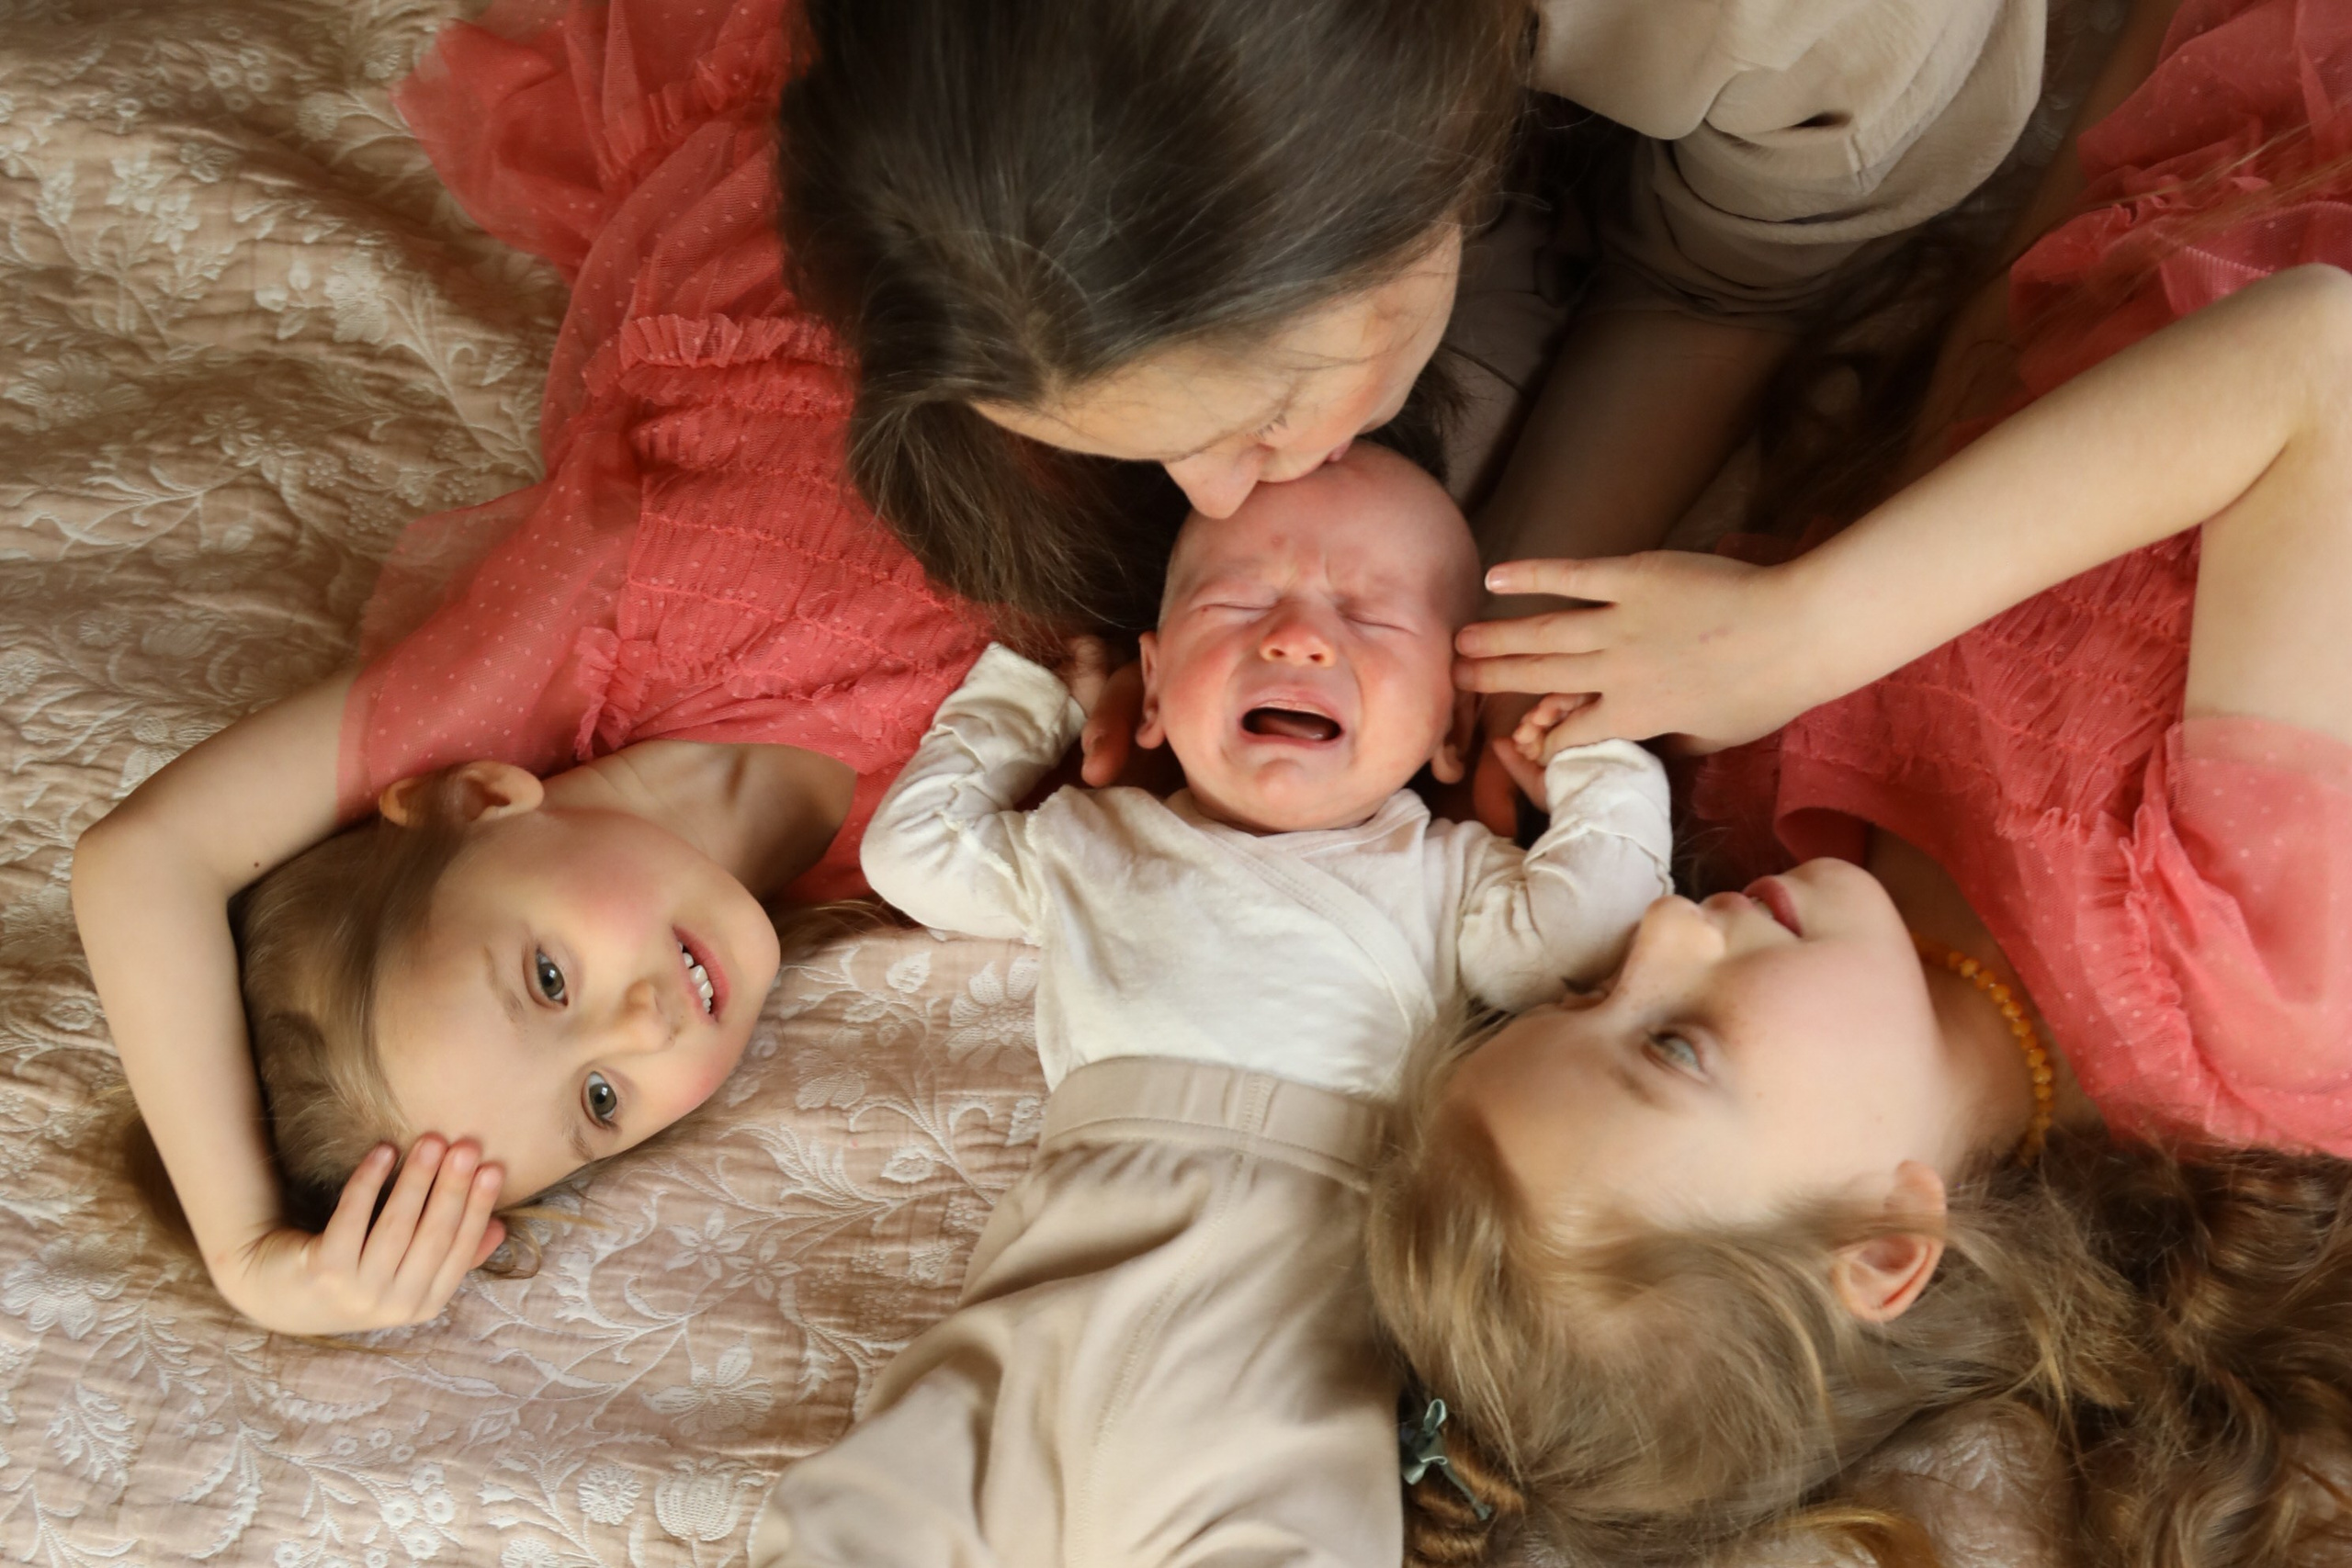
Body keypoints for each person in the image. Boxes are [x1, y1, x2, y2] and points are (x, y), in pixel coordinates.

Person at [1370, 3, 2352, 1562]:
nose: (1666, 935)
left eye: (1578, 997)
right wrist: (1811, 621)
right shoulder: (2242, 988)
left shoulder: (1790, 820)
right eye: (1678, 1047)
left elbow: (2031, 328)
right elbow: (2320, 355)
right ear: (1888, 1239)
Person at [69, 0, 993, 1338]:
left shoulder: (582, 620)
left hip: (884, 135)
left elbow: (140, 862)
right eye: (601, 1105)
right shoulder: (910, 845)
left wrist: (251, 1254)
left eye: (549, 980)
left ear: (477, 800)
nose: (639, 1020)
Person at [748, 444, 1672, 1563]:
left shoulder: (1444, 874)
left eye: (1370, 618)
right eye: (1239, 600)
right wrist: (1032, 691)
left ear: (1448, 728)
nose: (1298, 635)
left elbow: (1586, 932)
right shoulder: (1093, 842)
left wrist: (1589, 750)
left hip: (1292, 1335)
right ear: (1151, 684)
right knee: (866, 1519)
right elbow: (915, 852)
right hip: (1044, 1306)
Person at [777, 0, 2052, 636]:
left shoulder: (1823, 31)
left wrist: (1490, 647)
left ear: (1427, 177)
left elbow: (1730, 280)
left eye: (1265, 415)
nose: (1223, 502)